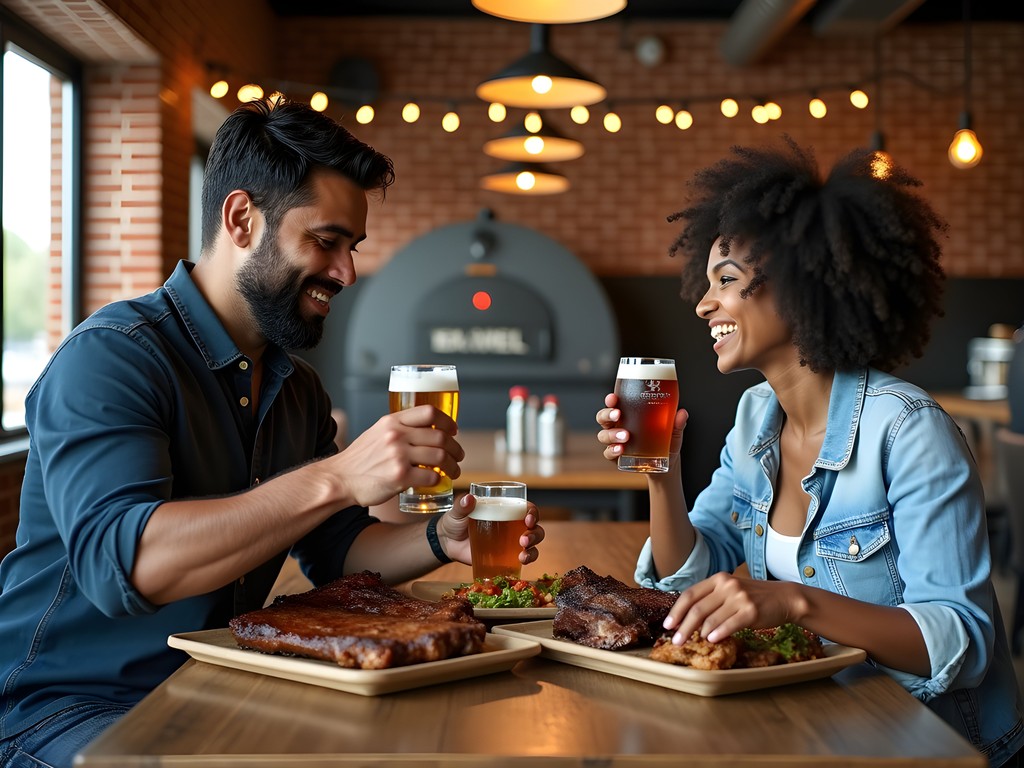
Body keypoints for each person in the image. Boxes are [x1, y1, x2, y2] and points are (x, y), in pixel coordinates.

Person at [0, 99, 544, 768]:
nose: (346, 273)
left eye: (352, 248)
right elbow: (130, 567)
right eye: (326, 241)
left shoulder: (296, 387)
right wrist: (337, 477)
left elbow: (336, 551)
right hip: (67, 710)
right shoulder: (112, 356)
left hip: (218, 687)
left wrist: (439, 538)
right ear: (240, 219)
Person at [596, 138, 1023, 767]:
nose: (703, 303)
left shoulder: (908, 431)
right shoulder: (755, 416)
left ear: (800, 288)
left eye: (727, 281)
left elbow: (962, 640)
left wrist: (795, 603)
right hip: (812, 723)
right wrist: (661, 474)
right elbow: (691, 571)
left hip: (929, 745)